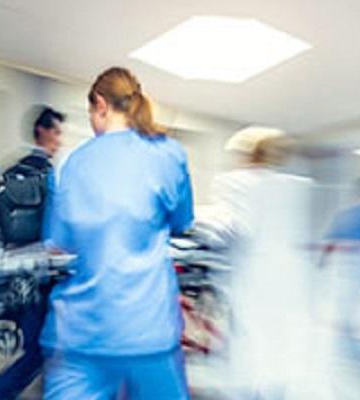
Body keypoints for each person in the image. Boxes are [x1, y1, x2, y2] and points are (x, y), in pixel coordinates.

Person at [39, 67, 194, 400]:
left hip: (80, 331)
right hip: (148, 327)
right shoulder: (168, 153)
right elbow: (182, 222)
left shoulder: (68, 164)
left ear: (100, 104)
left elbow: (58, 245)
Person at [207, 128, 318, 399]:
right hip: (290, 277)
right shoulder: (298, 185)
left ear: (247, 153)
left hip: (253, 274)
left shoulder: (232, 182)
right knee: (280, 347)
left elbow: (233, 227)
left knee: (250, 347)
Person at [0, 105, 65, 400]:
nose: (59, 139)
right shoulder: (44, 172)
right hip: (37, 276)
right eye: (56, 131)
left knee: (40, 350)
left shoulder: (11, 168)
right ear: (41, 131)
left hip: (13, 272)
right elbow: (53, 230)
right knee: (41, 350)